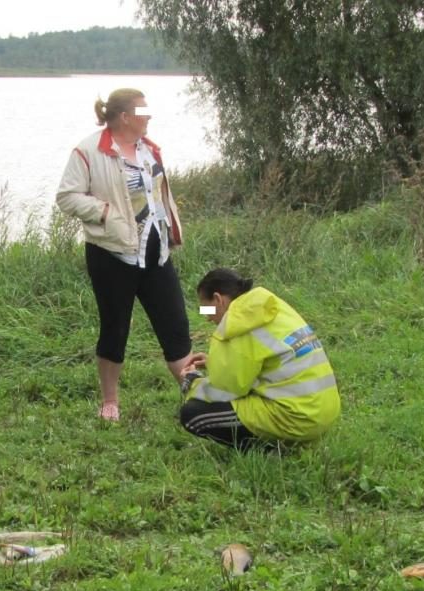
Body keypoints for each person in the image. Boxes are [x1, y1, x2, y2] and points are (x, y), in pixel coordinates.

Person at [56, 88, 192, 422]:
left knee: (175, 324)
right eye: (144, 111)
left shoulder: (150, 150)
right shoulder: (89, 150)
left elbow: (160, 195)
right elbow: (67, 197)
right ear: (124, 117)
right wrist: (105, 213)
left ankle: (196, 396)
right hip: (111, 254)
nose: (149, 116)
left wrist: (171, 226)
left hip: (155, 252)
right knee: (115, 328)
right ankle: (110, 402)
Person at [179, 268, 340, 450]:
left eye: (206, 308)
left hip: (299, 419)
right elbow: (265, 361)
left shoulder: (236, 325)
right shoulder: (271, 306)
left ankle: (268, 452)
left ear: (218, 299)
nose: (207, 317)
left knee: (192, 416)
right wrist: (214, 363)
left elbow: (225, 392)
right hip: (324, 412)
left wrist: (191, 382)